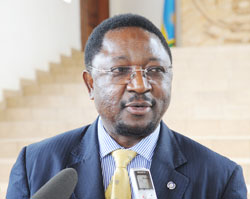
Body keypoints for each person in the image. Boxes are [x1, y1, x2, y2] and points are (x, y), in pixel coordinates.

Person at [6, 14, 247, 199]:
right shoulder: (35, 164)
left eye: (155, 70)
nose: (140, 86)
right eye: (120, 70)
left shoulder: (220, 177)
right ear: (90, 84)